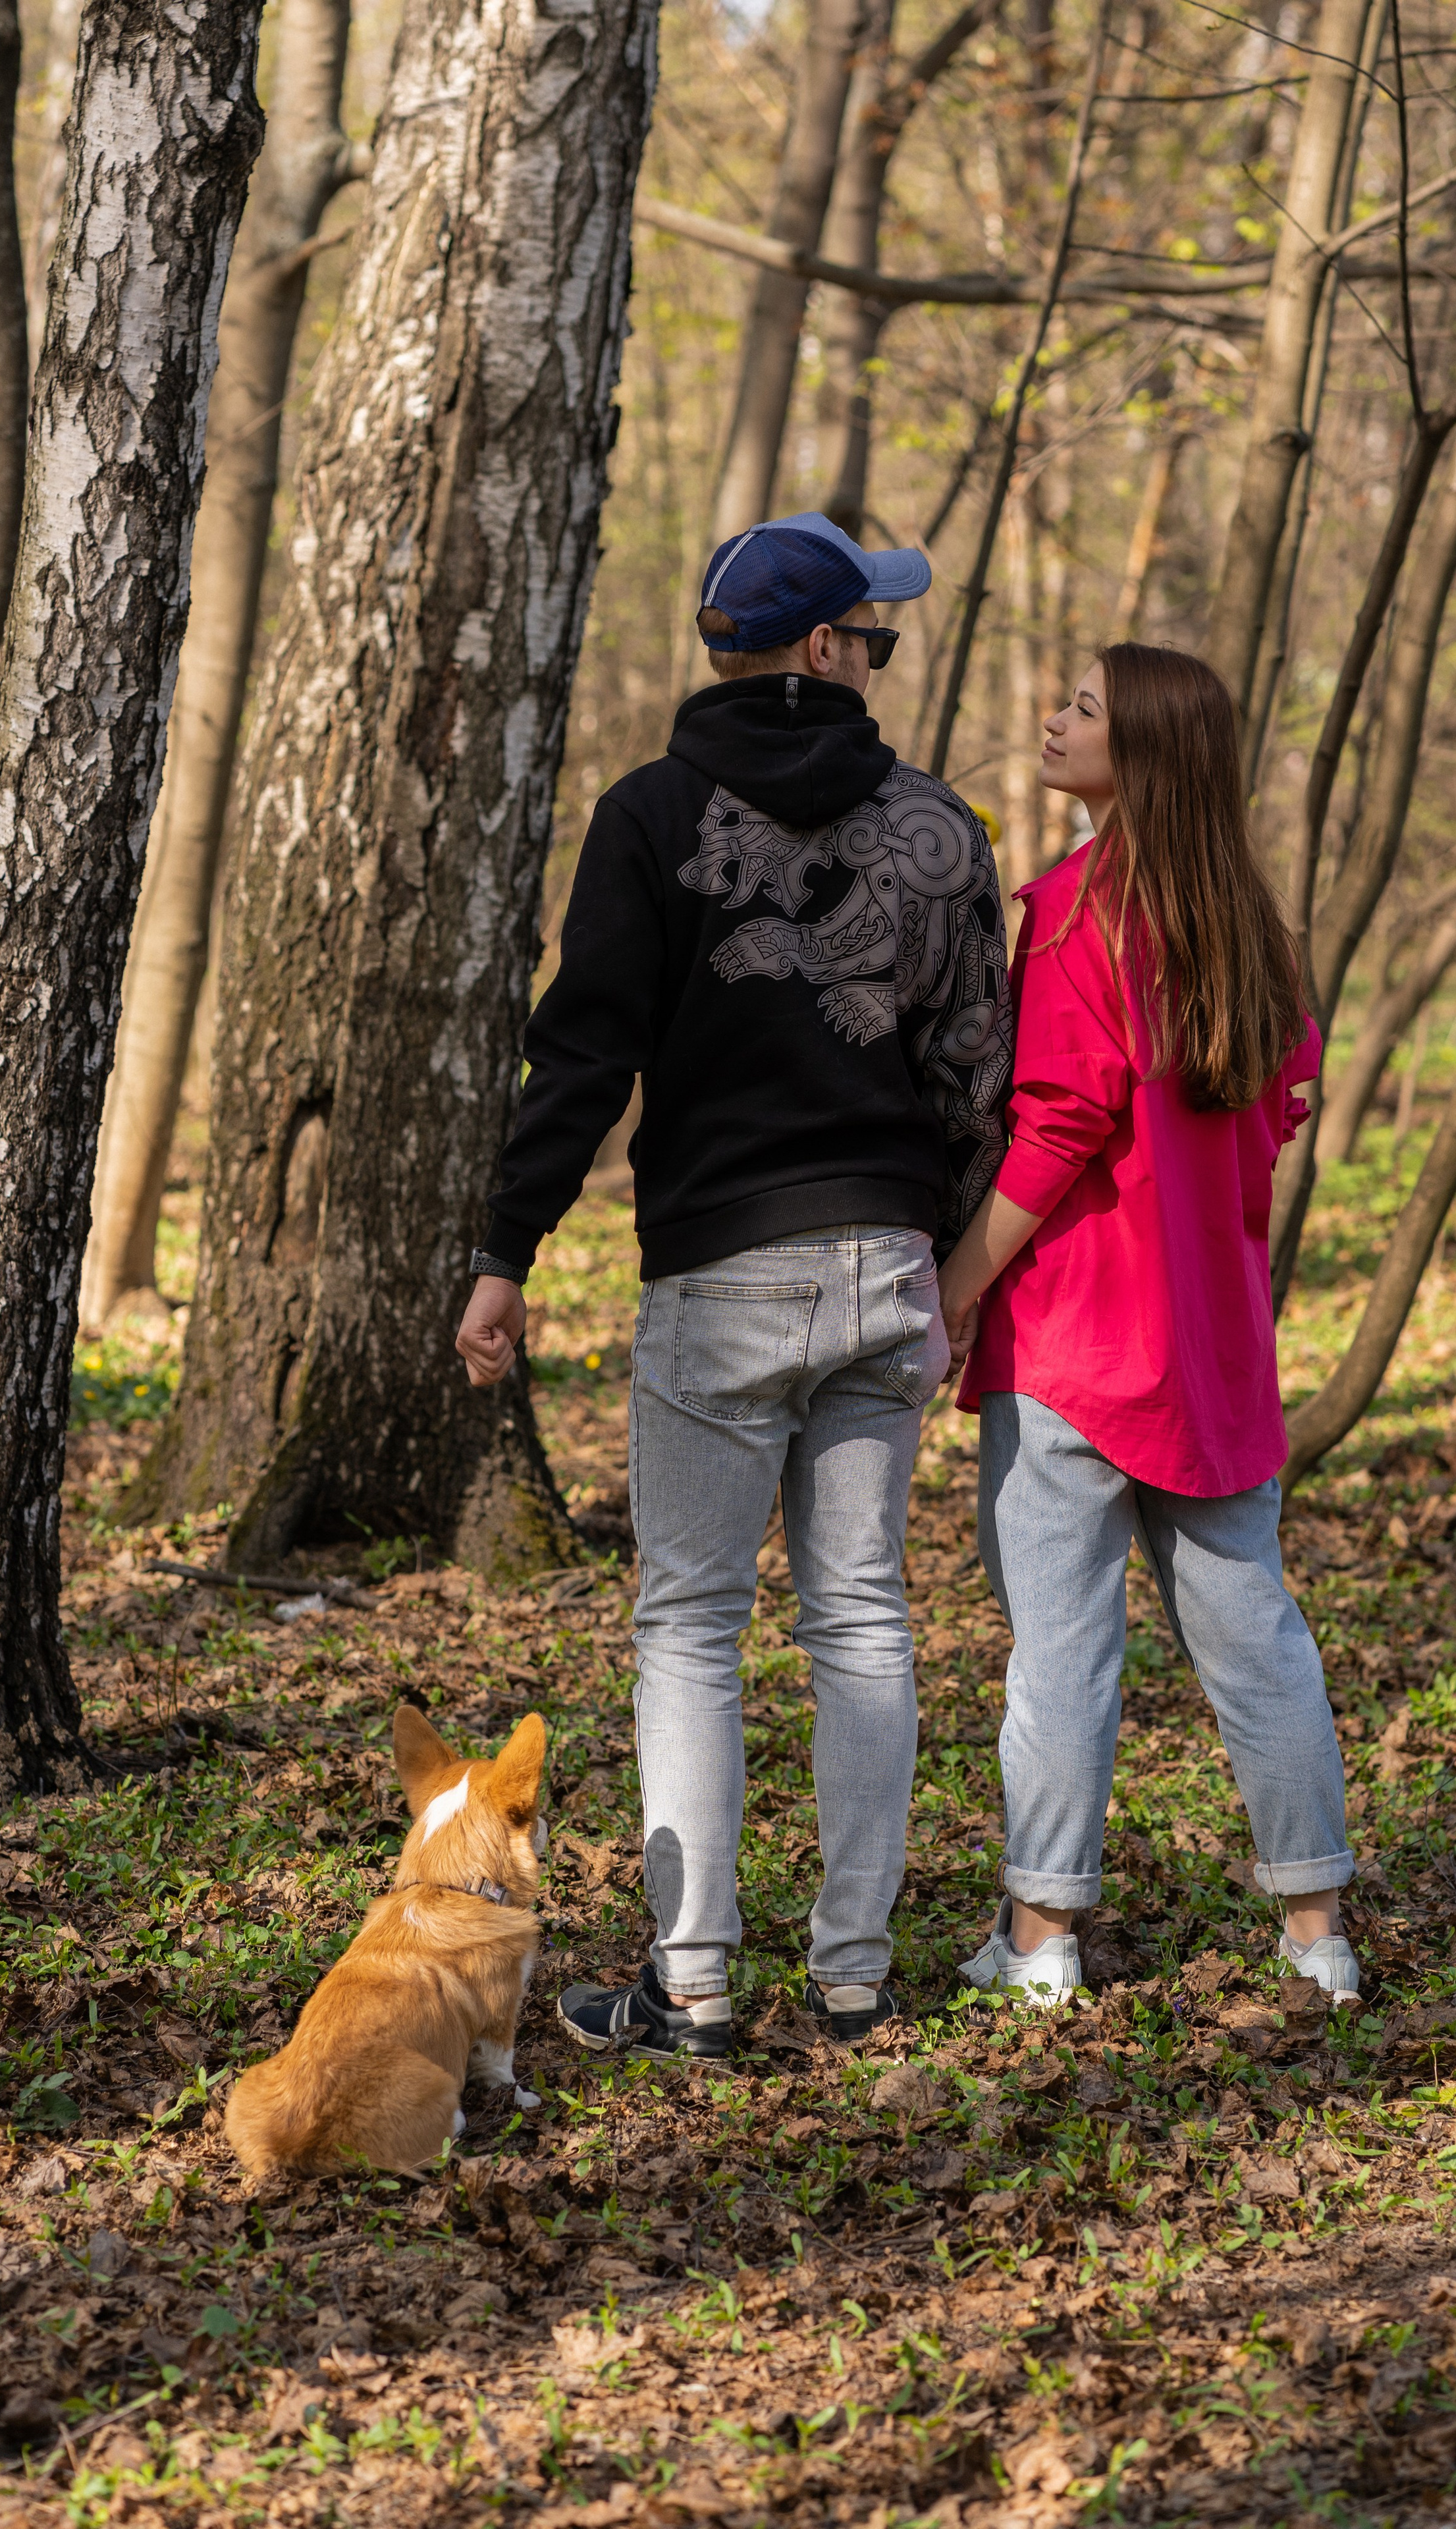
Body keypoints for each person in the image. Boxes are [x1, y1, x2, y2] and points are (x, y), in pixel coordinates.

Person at [455, 512, 1013, 2055]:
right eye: (874, 638)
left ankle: (688, 1984)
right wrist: (944, 1254)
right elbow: (979, 1069)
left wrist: (509, 1249)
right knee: (860, 1620)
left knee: (692, 1624)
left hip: (722, 1269)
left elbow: (583, 1051)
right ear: (823, 652)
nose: (883, 663)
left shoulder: (646, 816)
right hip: (888, 1263)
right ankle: (851, 1977)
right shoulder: (943, 830)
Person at [938, 642, 1357, 2007]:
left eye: (1082, 711)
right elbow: (1281, 1098)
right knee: (1257, 1640)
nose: (1053, 721)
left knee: (1060, 1649)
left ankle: (1043, 1944)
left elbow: (1058, 1117)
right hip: (1213, 1347)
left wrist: (958, 1282)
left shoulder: (1069, 911)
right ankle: (1317, 1944)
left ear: (1148, 755)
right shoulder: (1251, 925)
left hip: (1072, 1336)